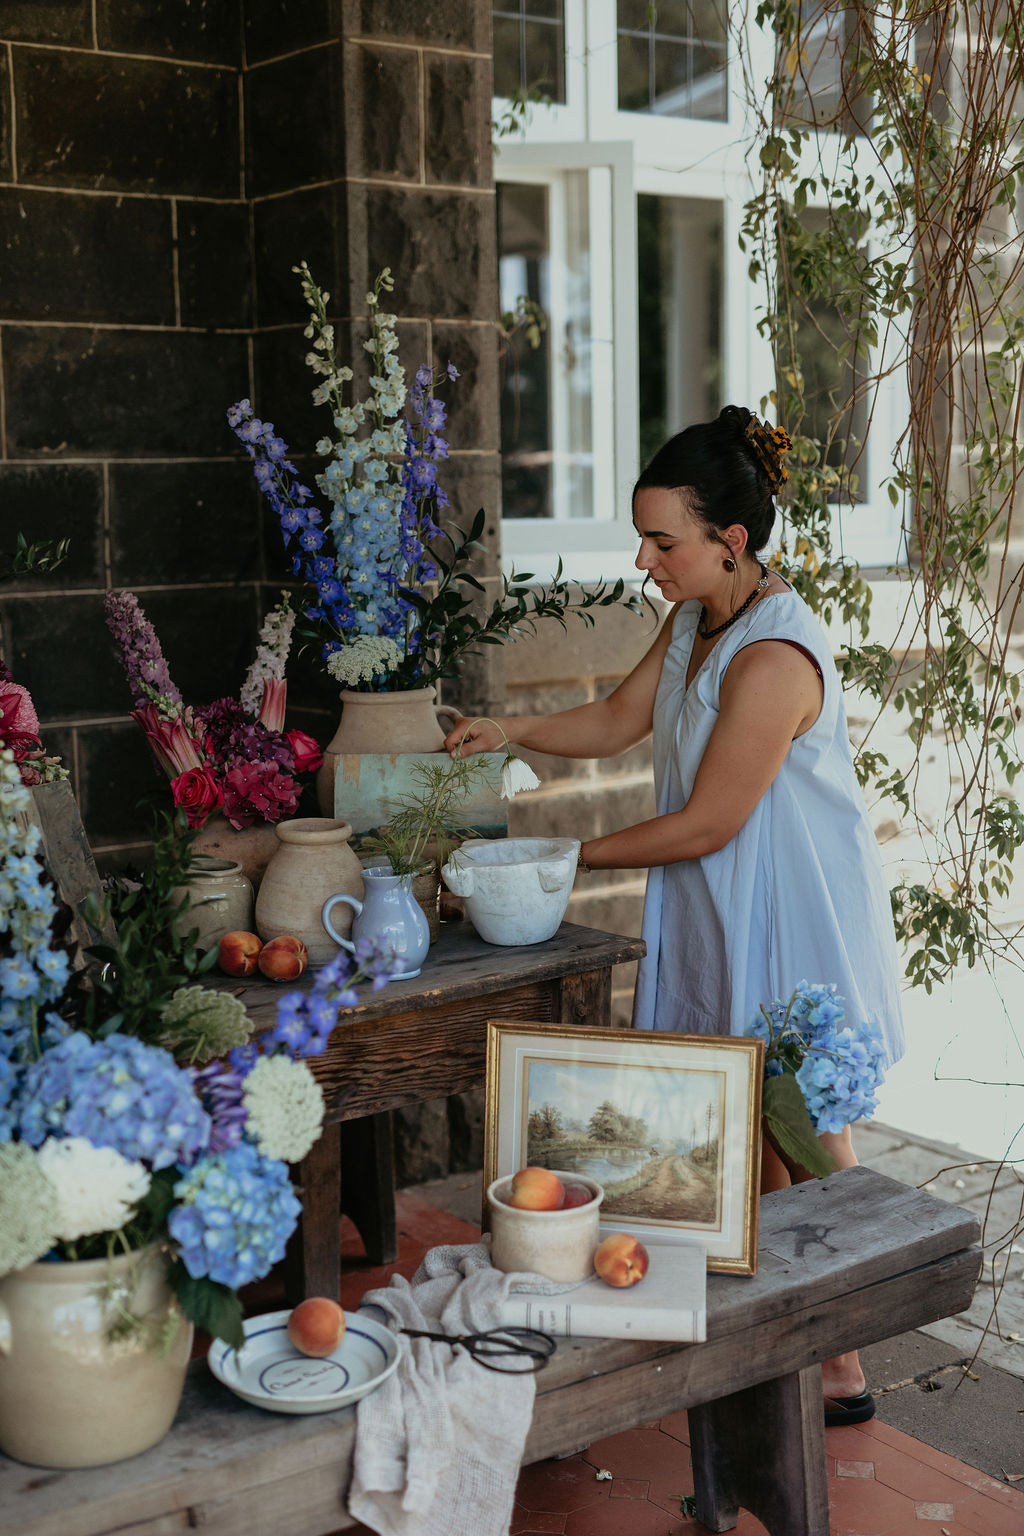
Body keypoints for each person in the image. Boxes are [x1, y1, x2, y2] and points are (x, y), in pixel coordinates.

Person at [445, 404, 905, 1425]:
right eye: (643, 537)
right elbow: (616, 719)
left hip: (778, 907)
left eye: (664, 540)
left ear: (729, 541)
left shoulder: (775, 655)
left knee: (799, 1120)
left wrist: (557, 859)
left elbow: (706, 822)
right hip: (710, 901)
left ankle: (845, 1357)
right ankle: (789, 1336)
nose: (645, 559)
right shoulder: (695, 618)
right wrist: (505, 728)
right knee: (736, 1116)